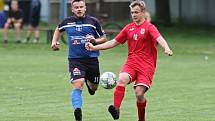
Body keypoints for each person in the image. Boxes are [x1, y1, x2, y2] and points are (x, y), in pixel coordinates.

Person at [86, 0, 173, 121]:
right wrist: (94, 47)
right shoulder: (128, 28)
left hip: (146, 66)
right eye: (132, 12)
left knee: (139, 94)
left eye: (136, 12)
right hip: (131, 63)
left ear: (143, 12)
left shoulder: (149, 27)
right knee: (121, 79)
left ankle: (141, 119)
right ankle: (116, 109)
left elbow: (159, 38)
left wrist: (166, 48)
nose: (134, 15)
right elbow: (113, 42)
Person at [51, 0, 107, 121]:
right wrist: (54, 41)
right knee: (78, 84)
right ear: (72, 9)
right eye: (76, 7)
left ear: (85, 8)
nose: (79, 9)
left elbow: (104, 38)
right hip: (75, 60)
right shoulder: (67, 22)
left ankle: (89, 82)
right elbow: (58, 29)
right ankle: (77, 110)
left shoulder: (93, 22)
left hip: (92, 60)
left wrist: (95, 40)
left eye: (81, 7)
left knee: (93, 88)